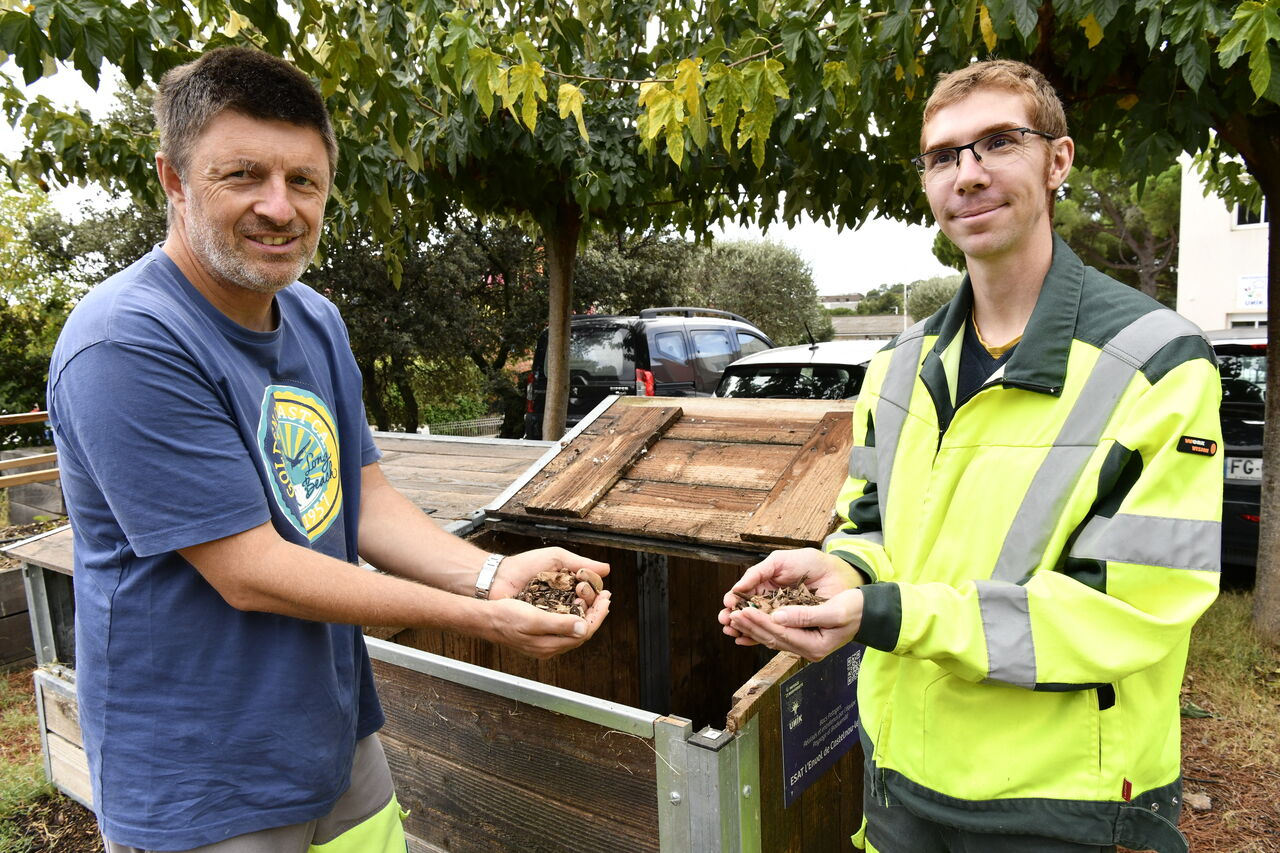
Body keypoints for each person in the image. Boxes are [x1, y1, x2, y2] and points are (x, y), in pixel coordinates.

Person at [46, 47, 611, 853]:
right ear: (174, 179)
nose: (280, 207)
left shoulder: (314, 319)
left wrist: (492, 574)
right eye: (243, 175)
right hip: (201, 781)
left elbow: (365, 498)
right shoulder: (125, 342)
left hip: (335, 743)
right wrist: (478, 617)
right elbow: (249, 570)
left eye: (304, 181)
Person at [719, 60, 1221, 853]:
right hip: (902, 780)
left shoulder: (1156, 363)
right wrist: (838, 571)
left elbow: (1130, 609)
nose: (969, 173)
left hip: (1064, 805)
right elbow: (871, 526)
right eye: (943, 155)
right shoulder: (895, 368)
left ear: (1058, 160)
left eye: (999, 142)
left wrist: (887, 613)